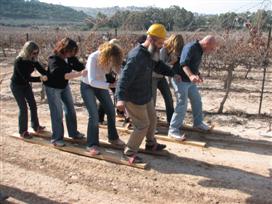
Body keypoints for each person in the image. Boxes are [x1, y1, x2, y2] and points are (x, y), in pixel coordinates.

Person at [116, 23, 177, 163]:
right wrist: (120, 99)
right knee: (142, 125)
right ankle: (129, 152)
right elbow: (123, 79)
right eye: (160, 43)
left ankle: (150, 144)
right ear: (152, 39)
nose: (162, 46)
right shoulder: (137, 56)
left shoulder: (151, 52)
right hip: (133, 97)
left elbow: (158, 65)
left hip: (145, 94)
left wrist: (173, 73)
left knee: (152, 119)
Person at [168, 35, 216, 140]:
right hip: (180, 79)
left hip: (189, 81)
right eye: (212, 48)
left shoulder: (200, 49)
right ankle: (173, 130)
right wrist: (191, 75)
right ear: (206, 44)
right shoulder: (190, 47)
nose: (212, 50)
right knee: (182, 104)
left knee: (197, 100)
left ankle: (198, 123)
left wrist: (197, 74)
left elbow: (192, 64)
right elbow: (183, 63)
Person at [81, 42, 125, 155]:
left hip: (101, 84)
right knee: (94, 115)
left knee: (110, 110)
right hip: (88, 86)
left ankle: (113, 137)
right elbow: (91, 81)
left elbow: (119, 71)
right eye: (111, 60)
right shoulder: (93, 57)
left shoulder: (112, 58)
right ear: (107, 55)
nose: (112, 62)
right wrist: (109, 85)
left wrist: (124, 78)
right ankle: (92, 144)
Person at [44, 37, 86, 147]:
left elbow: (80, 67)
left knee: (71, 109)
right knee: (57, 113)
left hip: (64, 86)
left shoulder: (70, 58)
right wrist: (80, 74)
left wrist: (87, 68)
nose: (73, 54)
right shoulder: (53, 59)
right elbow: (62, 75)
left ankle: (73, 133)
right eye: (71, 51)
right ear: (64, 49)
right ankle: (57, 138)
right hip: (53, 88)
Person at [10, 41, 47, 139]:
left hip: (25, 86)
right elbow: (26, 78)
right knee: (23, 108)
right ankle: (23, 131)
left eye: (37, 53)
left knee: (33, 105)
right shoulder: (19, 61)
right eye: (33, 53)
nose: (35, 55)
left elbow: (42, 70)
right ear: (27, 51)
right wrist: (40, 79)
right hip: (16, 86)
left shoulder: (33, 60)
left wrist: (50, 74)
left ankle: (35, 126)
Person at [152, 34, 184, 124]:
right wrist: (172, 62)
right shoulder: (163, 50)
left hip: (161, 78)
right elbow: (160, 67)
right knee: (152, 101)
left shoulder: (171, 51)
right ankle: (151, 124)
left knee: (169, 98)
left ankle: (171, 121)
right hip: (153, 77)